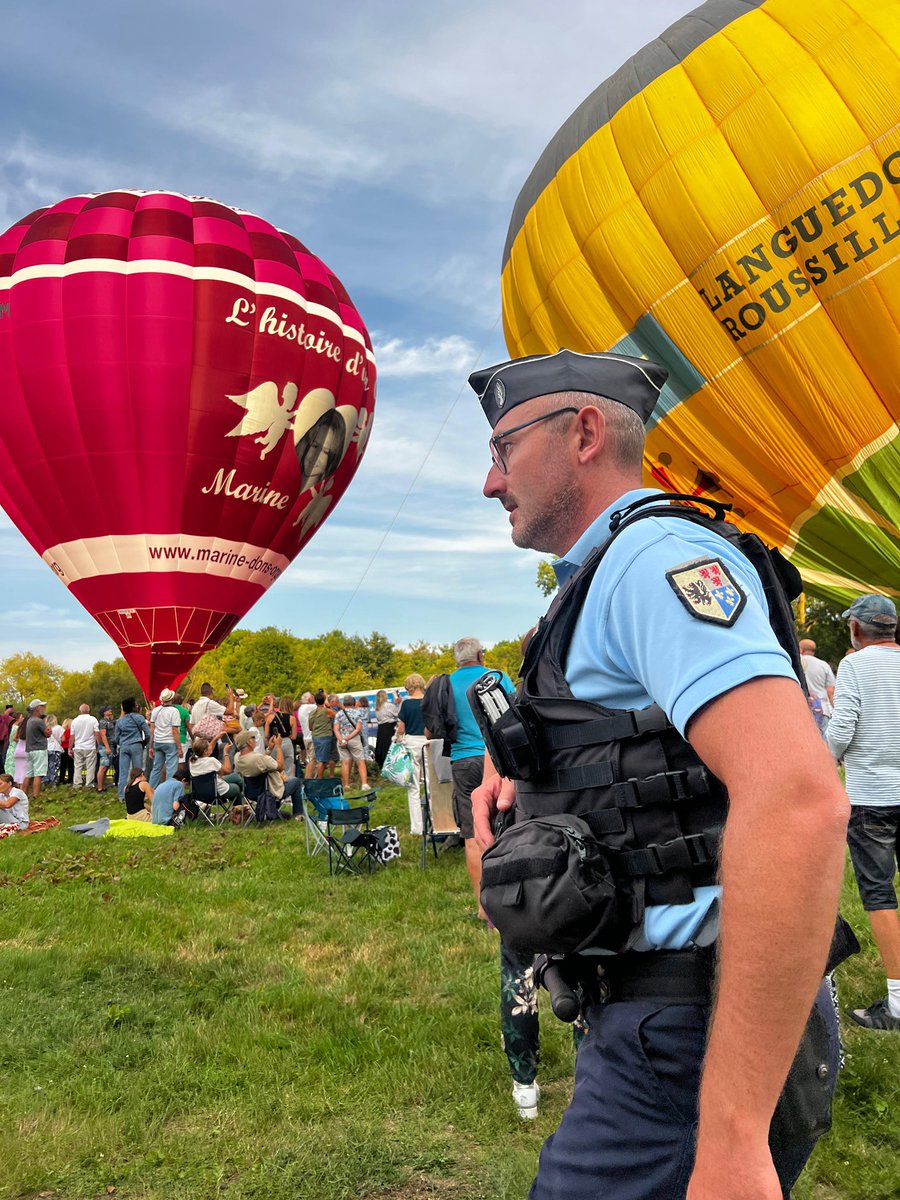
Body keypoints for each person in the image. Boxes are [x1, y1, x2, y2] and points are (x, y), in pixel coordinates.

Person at [467, 349, 849, 1199]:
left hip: (687, 1036)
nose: (489, 482)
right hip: (659, 1021)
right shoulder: (599, 581)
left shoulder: (653, 558)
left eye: (502, 450)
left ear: (586, 435)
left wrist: (734, 1135)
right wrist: (530, 772)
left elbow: (798, 803)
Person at [826, 594, 900, 1031]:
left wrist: (824, 759)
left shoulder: (853, 665)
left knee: (878, 894)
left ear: (855, 629)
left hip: (873, 797)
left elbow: (844, 725)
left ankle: (896, 1002)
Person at [230, 729, 302, 815]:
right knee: (296, 781)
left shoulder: (237, 757)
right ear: (249, 742)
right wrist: (278, 746)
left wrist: (269, 749)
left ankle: (273, 810)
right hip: (270, 792)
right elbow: (281, 766)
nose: (255, 739)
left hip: (251, 792)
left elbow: (261, 762)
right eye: (253, 737)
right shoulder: (258, 758)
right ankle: (298, 814)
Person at [396, 674, 427, 834]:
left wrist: (396, 738)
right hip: (428, 741)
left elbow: (401, 728)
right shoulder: (429, 701)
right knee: (430, 786)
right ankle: (434, 822)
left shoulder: (406, 704)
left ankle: (417, 827)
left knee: (413, 787)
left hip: (412, 742)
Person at [188, 736, 244, 805]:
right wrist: (226, 753)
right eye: (208, 745)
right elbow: (228, 771)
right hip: (215, 793)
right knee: (236, 788)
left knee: (235, 777)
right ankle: (240, 810)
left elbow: (207, 749)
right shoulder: (211, 761)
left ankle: (244, 801)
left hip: (199, 794)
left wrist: (217, 737)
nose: (210, 746)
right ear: (205, 751)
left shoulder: (192, 761)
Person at [799, 639, 836, 735]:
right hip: (822, 709)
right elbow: (830, 691)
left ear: (801, 649)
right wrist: (835, 710)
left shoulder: (796, 663)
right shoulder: (823, 665)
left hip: (801, 708)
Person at [115, 698, 150, 801]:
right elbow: (147, 733)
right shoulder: (139, 718)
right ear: (133, 707)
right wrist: (143, 743)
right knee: (138, 770)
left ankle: (122, 795)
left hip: (124, 746)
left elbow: (116, 737)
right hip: (136, 745)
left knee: (123, 771)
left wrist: (121, 743)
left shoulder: (120, 721)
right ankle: (139, 794)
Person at [334, 695, 369, 791]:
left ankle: (346, 785)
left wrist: (342, 739)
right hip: (354, 739)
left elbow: (336, 729)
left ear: (344, 703)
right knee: (360, 761)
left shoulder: (338, 714)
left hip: (341, 740)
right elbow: (358, 729)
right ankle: (364, 784)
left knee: (345, 762)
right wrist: (348, 738)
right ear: (353, 703)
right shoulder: (357, 713)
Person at [148, 689, 181, 788]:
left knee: (156, 768)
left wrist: (151, 746)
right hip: (170, 742)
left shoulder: (156, 710)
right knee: (171, 768)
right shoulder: (174, 711)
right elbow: (175, 731)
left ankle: (150, 791)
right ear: (172, 698)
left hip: (158, 742)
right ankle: (169, 790)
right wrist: (179, 747)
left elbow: (152, 730)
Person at [22, 699, 50, 800]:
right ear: (37, 708)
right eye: (42, 706)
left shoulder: (29, 720)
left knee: (28, 774)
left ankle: (23, 795)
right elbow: (47, 734)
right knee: (39, 774)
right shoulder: (38, 721)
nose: (44, 708)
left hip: (30, 749)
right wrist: (49, 730)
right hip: (39, 749)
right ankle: (36, 796)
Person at [70, 703, 100, 790]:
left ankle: (77, 783)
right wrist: (99, 744)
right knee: (90, 766)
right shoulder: (93, 719)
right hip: (90, 746)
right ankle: (89, 783)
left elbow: (72, 736)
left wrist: (70, 748)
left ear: (80, 711)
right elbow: (97, 733)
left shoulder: (75, 721)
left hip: (78, 746)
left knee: (78, 766)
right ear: (88, 710)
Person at [308, 690, 337, 779]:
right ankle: (320, 780)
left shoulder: (312, 713)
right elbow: (337, 716)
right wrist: (328, 705)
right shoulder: (327, 711)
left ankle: (319, 778)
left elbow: (310, 727)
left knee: (319, 758)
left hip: (315, 737)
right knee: (322, 761)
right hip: (325, 736)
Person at [266, 696, 297, 778]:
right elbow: (294, 736)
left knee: (274, 765)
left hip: (273, 742)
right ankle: (289, 785)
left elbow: (266, 735)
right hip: (286, 742)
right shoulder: (292, 718)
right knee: (288, 766)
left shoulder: (270, 717)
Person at [373, 690, 399, 769]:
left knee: (382, 748)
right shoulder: (389, 705)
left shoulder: (377, 708)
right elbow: (398, 714)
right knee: (389, 747)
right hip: (390, 728)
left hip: (381, 728)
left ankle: (382, 765)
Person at [97, 705, 117, 792]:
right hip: (106, 746)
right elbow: (103, 735)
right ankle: (99, 787)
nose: (110, 710)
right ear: (104, 713)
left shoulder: (111, 721)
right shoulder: (102, 722)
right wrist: (107, 747)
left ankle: (103, 786)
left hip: (111, 745)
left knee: (107, 767)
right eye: (108, 710)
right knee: (103, 767)